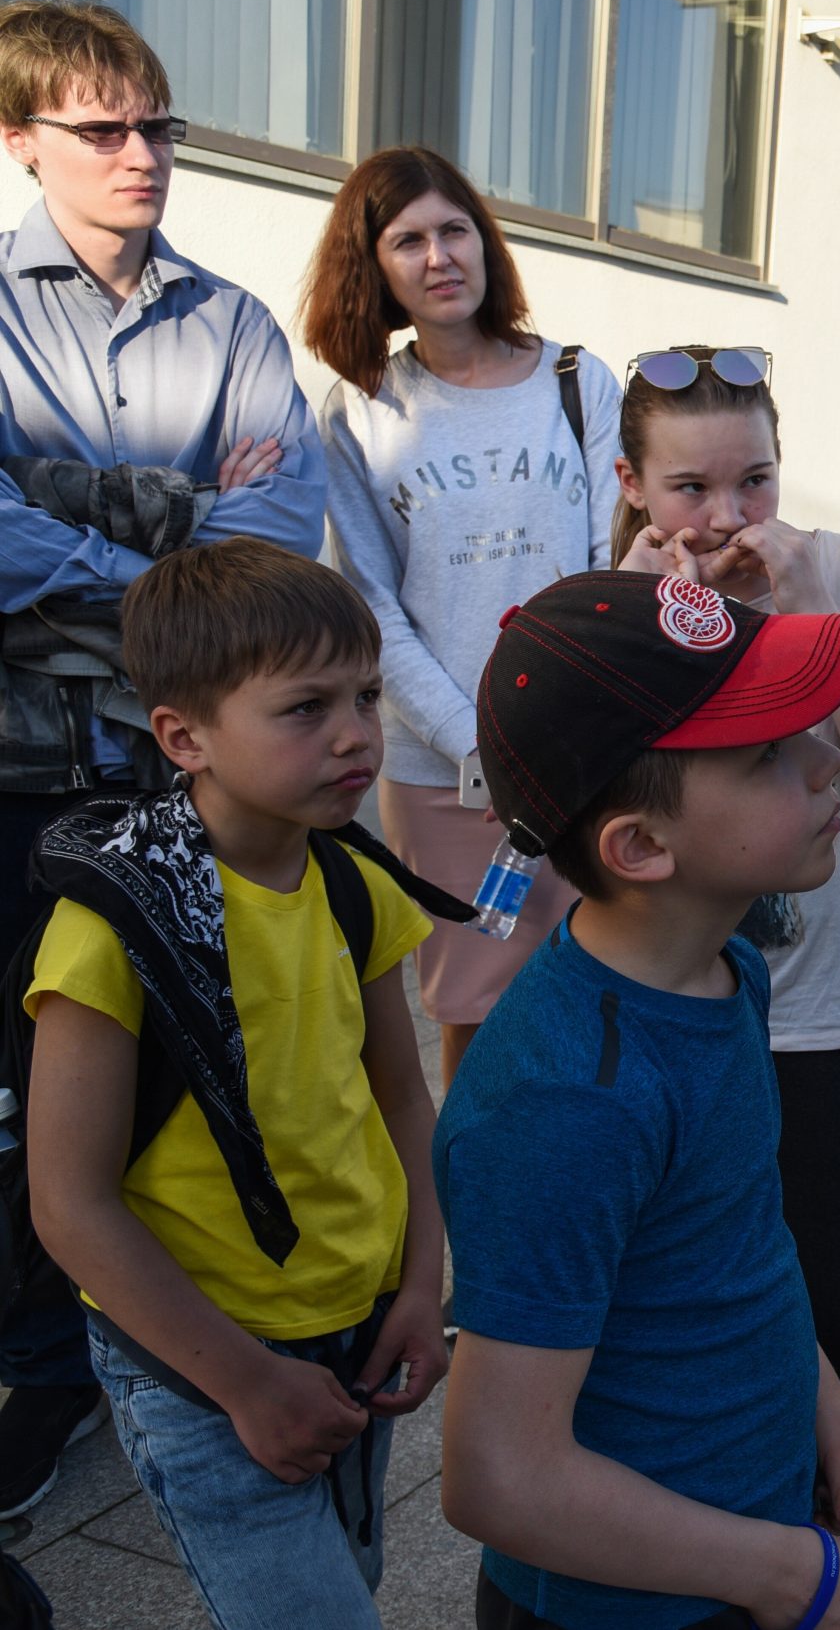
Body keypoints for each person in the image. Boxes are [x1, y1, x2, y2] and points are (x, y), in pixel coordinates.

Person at [437, 569, 840, 1630]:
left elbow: (739, 1239)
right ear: (640, 845)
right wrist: (793, 1573)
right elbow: (499, 1477)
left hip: (739, 1549)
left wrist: (824, 1396)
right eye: (767, 752)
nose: (827, 758)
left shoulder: (726, 967)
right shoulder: (565, 1100)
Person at [0, 0, 325, 1517]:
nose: (143, 154)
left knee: (195, 1078)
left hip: (177, 780)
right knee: (29, 1093)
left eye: (159, 124)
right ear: (20, 140)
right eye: (102, 127)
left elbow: (270, 551)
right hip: (17, 778)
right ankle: (44, 1369)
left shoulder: (241, 326)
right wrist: (170, 549)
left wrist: (70, 544)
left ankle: (177, 1347)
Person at [23, 539, 446, 1625]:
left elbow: (402, 1097)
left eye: (364, 693)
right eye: (305, 707)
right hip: (199, 1365)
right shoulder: (113, 927)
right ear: (183, 736)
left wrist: (417, 1285)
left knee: (345, 1589)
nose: (357, 732)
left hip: (355, 1326)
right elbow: (68, 1202)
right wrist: (246, 1382)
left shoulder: (355, 884)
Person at [611, 345, 840, 1403]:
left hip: (814, 1025)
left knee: (830, 1319)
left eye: (753, 478)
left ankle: (811, 1553)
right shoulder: (613, 598)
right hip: (658, 1015)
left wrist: (811, 632)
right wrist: (630, 634)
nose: (724, 514)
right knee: (666, 1323)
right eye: (689, 486)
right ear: (632, 488)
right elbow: (576, 835)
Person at [305, 144, 623, 1089]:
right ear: (375, 268)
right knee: (476, 1015)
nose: (439, 256)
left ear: (485, 244)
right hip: (447, 775)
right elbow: (369, 604)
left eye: (455, 230)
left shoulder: (576, 379)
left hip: (587, 753)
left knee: (606, 995)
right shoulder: (359, 410)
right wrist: (471, 743)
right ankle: (488, 1225)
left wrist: (582, 719)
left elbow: (613, 556)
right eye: (409, 240)